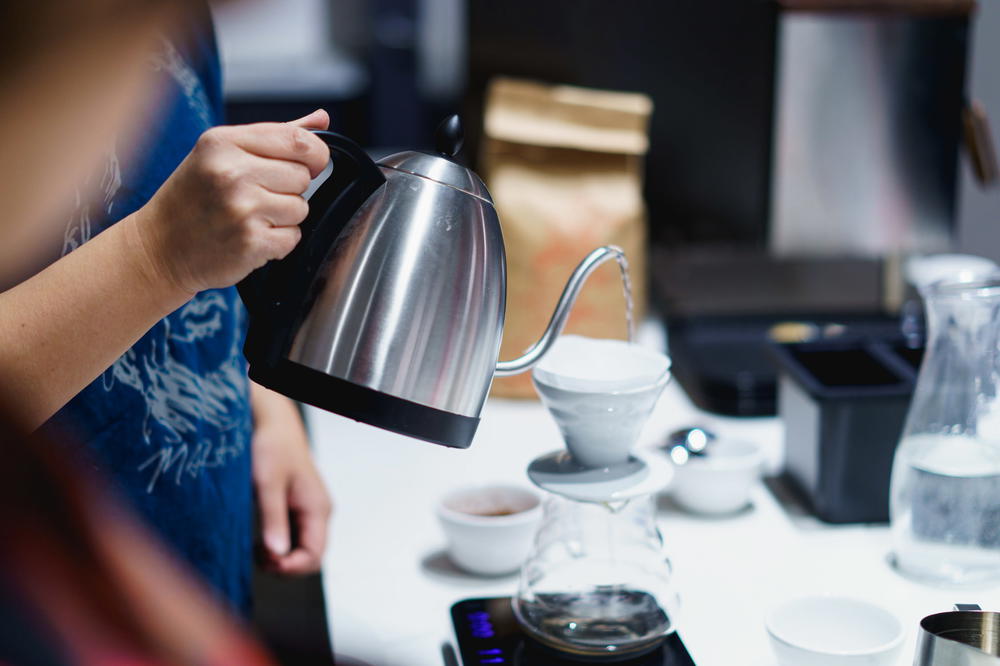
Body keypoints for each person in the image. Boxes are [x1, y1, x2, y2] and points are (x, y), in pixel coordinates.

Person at [0, 1, 332, 614]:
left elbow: (198, 237)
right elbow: (166, 240)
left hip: (193, 562)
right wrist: (155, 257)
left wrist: (264, 405)